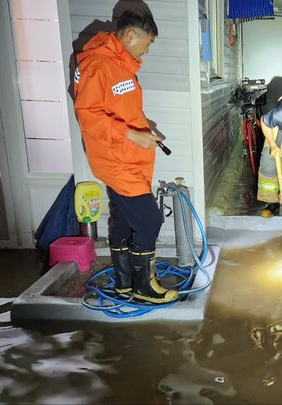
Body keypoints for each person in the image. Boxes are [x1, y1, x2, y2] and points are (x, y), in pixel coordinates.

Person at [74, 9, 173, 304]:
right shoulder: (98, 64)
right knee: (148, 222)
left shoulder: (121, 64)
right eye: (147, 42)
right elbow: (89, 116)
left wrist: (145, 128)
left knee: (124, 221)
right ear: (130, 36)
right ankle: (144, 288)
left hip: (128, 155)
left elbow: (121, 107)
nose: (148, 48)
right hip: (116, 159)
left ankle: (124, 284)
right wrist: (132, 134)